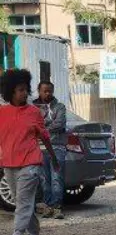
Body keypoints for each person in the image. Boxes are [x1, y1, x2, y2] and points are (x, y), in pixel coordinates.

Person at [0, 68, 61, 235]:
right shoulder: (2, 113)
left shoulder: (34, 112)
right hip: (10, 164)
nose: (25, 92)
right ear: (10, 91)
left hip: (31, 162)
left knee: (24, 201)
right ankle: (34, 234)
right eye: (20, 89)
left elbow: (45, 136)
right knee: (22, 200)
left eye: (26, 89)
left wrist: (54, 158)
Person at [34, 79, 67, 219]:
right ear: (39, 91)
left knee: (56, 178)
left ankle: (57, 207)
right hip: (39, 148)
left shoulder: (59, 107)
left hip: (57, 146)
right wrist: (45, 126)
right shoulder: (33, 108)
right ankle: (47, 207)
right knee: (44, 179)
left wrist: (42, 128)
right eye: (44, 91)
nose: (47, 93)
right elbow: (33, 125)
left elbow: (59, 124)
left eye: (50, 91)